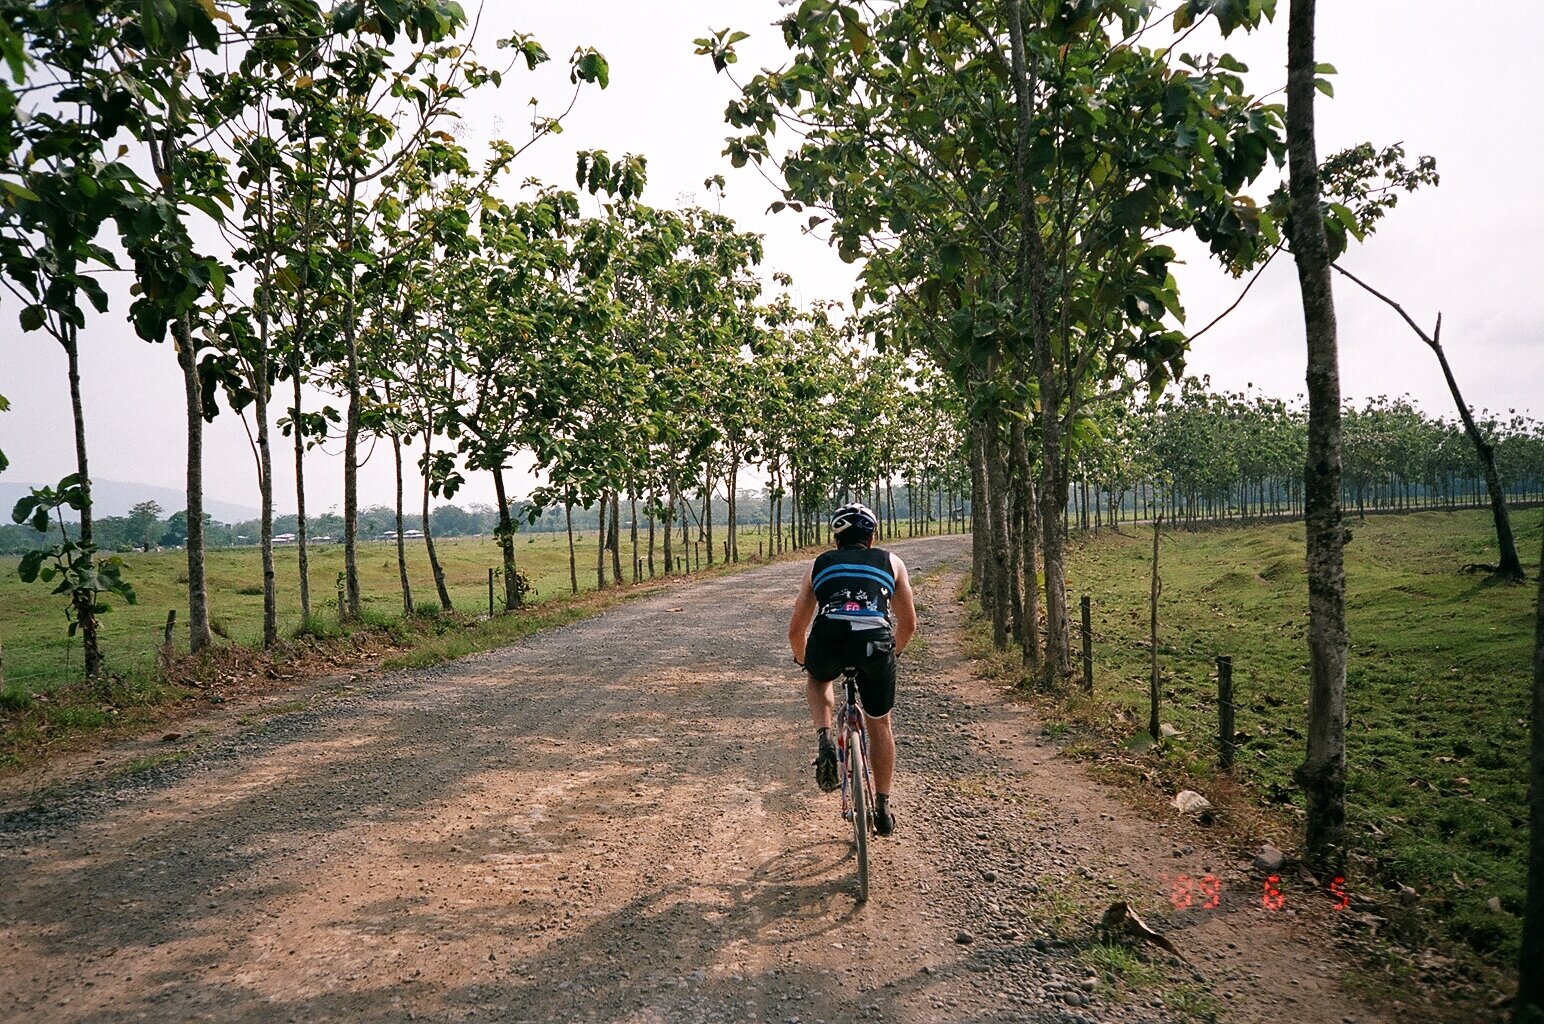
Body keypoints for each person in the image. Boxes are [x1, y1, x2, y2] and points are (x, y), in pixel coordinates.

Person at [787, 502, 917, 836]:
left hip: (828, 638)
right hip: (876, 643)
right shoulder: (893, 562)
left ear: (837, 540)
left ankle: (824, 736)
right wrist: (892, 656)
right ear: (873, 537)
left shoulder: (820, 564)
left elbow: (795, 630)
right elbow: (909, 625)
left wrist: (806, 663)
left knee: (818, 681)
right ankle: (883, 807)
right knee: (880, 723)